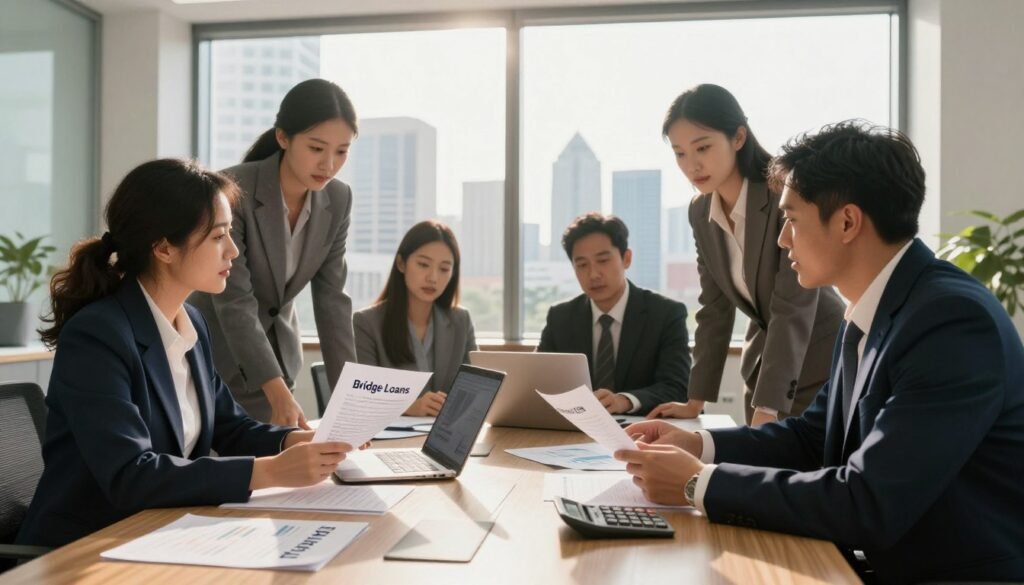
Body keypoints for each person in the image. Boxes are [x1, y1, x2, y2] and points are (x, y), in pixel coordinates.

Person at [617, 122, 1024, 584]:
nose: (782, 239)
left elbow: (868, 502)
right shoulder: (873, 309)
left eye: (791, 220)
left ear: (847, 221)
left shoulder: (950, 322)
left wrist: (697, 483)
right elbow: (813, 439)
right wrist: (698, 445)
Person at [18, 159, 353, 548]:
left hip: (159, 533)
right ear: (163, 248)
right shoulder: (98, 335)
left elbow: (230, 428)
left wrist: (293, 442)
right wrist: (271, 472)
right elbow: (131, 474)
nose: (233, 251)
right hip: (83, 549)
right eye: (217, 237)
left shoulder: (189, 322)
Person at [649, 84, 844, 426]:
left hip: (819, 360)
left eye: (703, 147)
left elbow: (793, 304)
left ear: (738, 138)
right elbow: (714, 308)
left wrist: (768, 408)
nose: (692, 165)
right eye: (680, 153)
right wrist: (694, 401)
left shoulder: (784, 192)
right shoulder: (700, 211)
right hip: (764, 368)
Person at [190, 78, 357, 429]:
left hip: (280, 361)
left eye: (341, 151)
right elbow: (235, 300)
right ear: (283, 137)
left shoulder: (338, 200)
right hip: (218, 359)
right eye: (316, 148)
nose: (328, 164)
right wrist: (277, 391)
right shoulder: (232, 190)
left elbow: (332, 303)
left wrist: (350, 402)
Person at [538, 213, 691, 416]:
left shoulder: (666, 314)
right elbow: (539, 383)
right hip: (577, 431)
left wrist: (624, 401)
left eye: (603, 260)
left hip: (644, 430)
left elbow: (677, 387)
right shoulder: (560, 318)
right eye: (582, 265)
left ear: (626, 258)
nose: (593, 274)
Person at [353, 220, 477, 417]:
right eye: (423, 264)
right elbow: (361, 397)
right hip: (388, 440)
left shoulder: (461, 320)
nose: (433, 277)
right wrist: (408, 407)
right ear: (401, 263)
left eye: (444, 269)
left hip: (444, 436)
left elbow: (474, 389)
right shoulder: (366, 323)